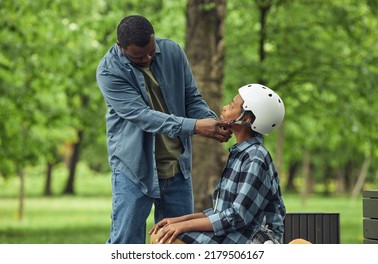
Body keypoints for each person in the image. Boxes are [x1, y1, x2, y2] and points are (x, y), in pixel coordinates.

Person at [96, 15, 232, 244]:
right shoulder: (109, 72)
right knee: (126, 243)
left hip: (177, 167)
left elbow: (191, 98)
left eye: (151, 50)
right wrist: (197, 127)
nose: (148, 58)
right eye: (139, 56)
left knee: (180, 242)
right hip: (134, 169)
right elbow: (143, 116)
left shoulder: (172, 52)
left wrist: (210, 121)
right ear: (121, 47)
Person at [149, 83, 286, 244]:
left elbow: (237, 216)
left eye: (232, 105)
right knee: (161, 233)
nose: (225, 107)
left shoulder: (255, 157)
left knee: (165, 240)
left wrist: (184, 227)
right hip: (236, 232)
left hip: (255, 238)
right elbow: (220, 211)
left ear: (247, 119)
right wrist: (178, 221)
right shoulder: (240, 153)